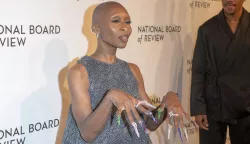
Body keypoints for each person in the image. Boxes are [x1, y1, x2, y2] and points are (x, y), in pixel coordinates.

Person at [62, 1, 192, 144]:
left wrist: (166, 103)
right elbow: (87, 134)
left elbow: (151, 121)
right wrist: (109, 98)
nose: (125, 28)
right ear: (96, 28)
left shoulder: (132, 69)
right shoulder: (80, 72)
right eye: (116, 21)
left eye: (128, 21)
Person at [190, 0, 250, 144]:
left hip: (246, 105)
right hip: (214, 104)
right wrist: (198, 108)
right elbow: (198, 70)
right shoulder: (207, 29)